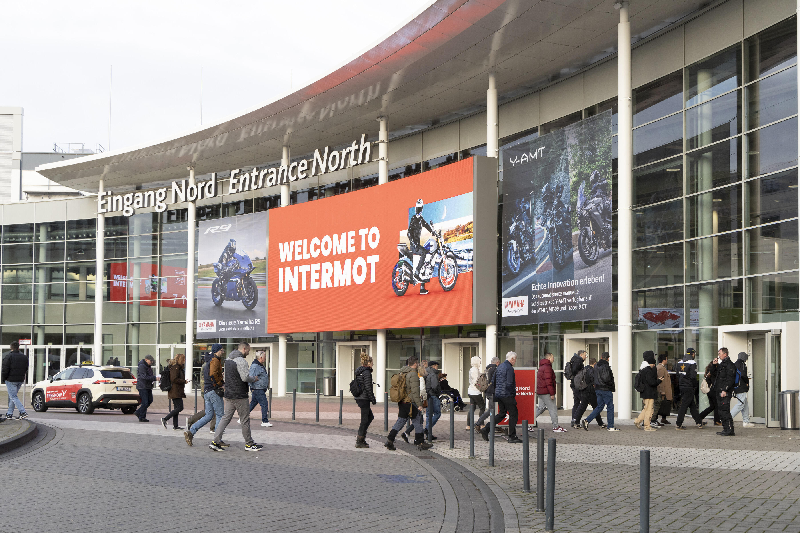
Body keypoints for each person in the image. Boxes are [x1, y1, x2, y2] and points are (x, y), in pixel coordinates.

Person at [210, 342, 263, 451]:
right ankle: (249, 444)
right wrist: (254, 378)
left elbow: (226, 376)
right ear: (244, 349)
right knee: (244, 420)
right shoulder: (241, 361)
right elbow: (245, 378)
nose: (248, 353)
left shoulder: (228, 360)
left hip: (229, 394)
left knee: (225, 418)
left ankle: (215, 441)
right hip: (240, 395)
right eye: (248, 351)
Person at [385, 356, 432, 451]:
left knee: (400, 421)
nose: (418, 364)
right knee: (418, 421)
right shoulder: (413, 374)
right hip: (411, 402)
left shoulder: (402, 372)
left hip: (402, 401)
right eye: (417, 363)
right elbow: (415, 391)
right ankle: (420, 442)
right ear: (414, 364)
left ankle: (390, 440)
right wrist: (419, 404)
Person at [184, 349, 225, 446]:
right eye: (221, 350)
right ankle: (217, 440)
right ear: (216, 351)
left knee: (208, 415)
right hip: (213, 391)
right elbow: (214, 375)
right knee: (220, 415)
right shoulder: (214, 361)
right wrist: (221, 384)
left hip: (206, 391)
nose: (222, 352)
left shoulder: (207, 363)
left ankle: (191, 431)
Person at [481, 351, 521, 443]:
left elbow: (493, 381)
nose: (515, 361)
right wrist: (512, 395)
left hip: (499, 394)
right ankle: (512, 436)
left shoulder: (499, 367)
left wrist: (497, 391)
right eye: (515, 360)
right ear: (512, 359)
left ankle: (486, 429)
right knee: (513, 413)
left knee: (502, 414)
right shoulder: (509, 368)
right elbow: (510, 383)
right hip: (507, 394)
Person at [581, 352, 619, 431]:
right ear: (608, 358)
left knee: (600, 406)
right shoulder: (605, 366)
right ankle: (610, 426)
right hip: (605, 389)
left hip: (598, 389)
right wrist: (610, 384)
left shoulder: (596, 366)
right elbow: (606, 378)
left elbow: (593, 377)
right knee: (610, 407)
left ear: (601, 357)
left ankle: (587, 420)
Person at [533, 352, 566, 432]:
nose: (554, 359)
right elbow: (549, 382)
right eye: (552, 357)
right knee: (553, 409)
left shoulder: (541, 367)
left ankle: (528, 423)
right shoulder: (547, 367)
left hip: (541, 391)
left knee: (540, 408)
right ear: (549, 358)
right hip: (546, 392)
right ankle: (556, 427)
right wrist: (552, 393)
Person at [185, 351, 218, 433]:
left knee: (210, 410)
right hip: (208, 390)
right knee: (211, 410)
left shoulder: (206, 365)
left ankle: (191, 420)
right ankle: (213, 427)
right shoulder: (208, 365)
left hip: (206, 390)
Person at [408, 199, 435, 295]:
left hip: (417, 244)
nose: (419, 210)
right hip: (414, 245)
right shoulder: (414, 219)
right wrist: (413, 243)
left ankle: (422, 288)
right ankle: (417, 272)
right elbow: (409, 232)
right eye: (417, 208)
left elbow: (426, 225)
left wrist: (433, 231)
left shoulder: (420, 219)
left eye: (420, 208)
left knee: (426, 256)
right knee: (424, 252)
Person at [675, 348, 704, 430]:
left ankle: (699, 422)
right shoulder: (692, 363)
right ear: (693, 354)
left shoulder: (680, 362)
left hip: (682, 386)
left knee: (692, 405)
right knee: (684, 405)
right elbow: (693, 377)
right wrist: (695, 386)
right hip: (689, 387)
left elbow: (677, 375)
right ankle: (678, 424)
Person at [353, 352, 376, 448]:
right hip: (364, 398)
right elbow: (368, 387)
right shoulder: (367, 373)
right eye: (372, 362)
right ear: (368, 363)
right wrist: (372, 398)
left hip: (360, 397)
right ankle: (360, 440)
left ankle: (361, 438)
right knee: (365, 419)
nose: (373, 364)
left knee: (369, 417)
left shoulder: (360, 371)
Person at [573, 358, 605, 429]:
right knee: (596, 407)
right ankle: (600, 423)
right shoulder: (592, 370)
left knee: (583, 406)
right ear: (594, 363)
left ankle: (576, 421)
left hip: (584, 390)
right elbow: (593, 381)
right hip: (590, 391)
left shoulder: (585, 369)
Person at [634, 351, 661, 432]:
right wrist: (659, 381)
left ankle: (638, 421)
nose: (654, 365)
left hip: (644, 392)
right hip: (649, 392)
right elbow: (651, 382)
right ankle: (647, 426)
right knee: (649, 409)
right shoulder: (648, 370)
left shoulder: (642, 368)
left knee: (645, 408)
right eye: (653, 364)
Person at [2, 342, 28, 420]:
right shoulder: (24, 357)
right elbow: (26, 368)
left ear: (11, 348)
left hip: (10, 380)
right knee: (13, 396)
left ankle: (23, 412)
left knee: (13, 396)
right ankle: (9, 413)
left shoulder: (8, 356)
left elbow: (5, 369)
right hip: (20, 379)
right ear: (18, 348)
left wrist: (3, 378)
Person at [714, 347, 737, 436]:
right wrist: (714, 365)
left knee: (725, 411)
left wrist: (725, 390)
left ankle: (730, 430)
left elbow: (730, 379)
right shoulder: (721, 364)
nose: (718, 355)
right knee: (721, 411)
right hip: (719, 391)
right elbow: (715, 375)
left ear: (725, 354)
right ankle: (725, 429)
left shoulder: (730, 365)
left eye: (720, 353)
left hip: (725, 392)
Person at [161, 353, 187, 430]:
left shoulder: (178, 367)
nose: (184, 360)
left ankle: (175, 426)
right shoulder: (176, 367)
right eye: (183, 359)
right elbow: (174, 379)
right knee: (180, 407)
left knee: (176, 408)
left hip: (177, 390)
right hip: (175, 390)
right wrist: (184, 381)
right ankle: (165, 419)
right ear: (180, 359)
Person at [246, 350, 272, 427]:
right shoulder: (255, 366)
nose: (265, 358)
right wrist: (252, 388)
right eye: (264, 356)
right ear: (260, 357)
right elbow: (250, 377)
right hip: (257, 388)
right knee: (264, 404)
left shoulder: (260, 365)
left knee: (253, 403)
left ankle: (242, 417)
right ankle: (264, 421)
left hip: (259, 388)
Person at [730, 351, 754, 428]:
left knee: (745, 404)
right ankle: (728, 418)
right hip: (741, 387)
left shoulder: (735, 364)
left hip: (736, 386)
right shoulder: (742, 364)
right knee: (740, 404)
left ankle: (746, 421)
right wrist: (747, 382)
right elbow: (743, 375)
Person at [475, 357, 500, 429]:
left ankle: (493, 425)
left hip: (487, 392)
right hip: (492, 392)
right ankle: (478, 423)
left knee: (492, 410)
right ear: (497, 362)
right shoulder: (494, 369)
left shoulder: (487, 369)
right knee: (491, 410)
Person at [651, 353, 673, 427]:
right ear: (664, 360)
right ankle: (655, 420)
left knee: (665, 404)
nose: (667, 360)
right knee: (659, 405)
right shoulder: (660, 368)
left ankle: (663, 418)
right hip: (663, 390)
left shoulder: (662, 367)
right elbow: (660, 381)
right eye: (666, 359)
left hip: (666, 390)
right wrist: (662, 391)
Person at [698, 357, 721, 426]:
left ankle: (699, 417)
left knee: (712, 406)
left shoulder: (708, 373)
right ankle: (717, 421)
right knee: (716, 405)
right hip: (713, 391)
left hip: (709, 391)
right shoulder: (713, 373)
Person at [134, 355, 156, 422]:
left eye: (152, 361)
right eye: (150, 361)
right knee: (145, 402)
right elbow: (144, 377)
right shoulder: (142, 366)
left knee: (149, 400)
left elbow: (148, 375)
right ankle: (142, 416)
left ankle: (139, 412)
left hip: (148, 386)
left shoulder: (148, 366)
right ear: (146, 359)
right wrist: (154, 378)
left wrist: (153, 378)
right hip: (142, 386)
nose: (151, 362)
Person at [569, 350, 587, 428]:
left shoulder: (574, 360)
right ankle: (575, 420)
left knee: (576, 403)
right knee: (583, 402)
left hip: (574, 384)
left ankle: (574, 421)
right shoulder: (578, 361)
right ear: (581, 355)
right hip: (577, 385)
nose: (586, 357)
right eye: (585, 355)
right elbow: (575, 372)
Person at [425, 361, 443, 440]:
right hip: (433, 395)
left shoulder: (426, 372)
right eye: (436, 366)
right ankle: (427, 429)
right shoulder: (433, 374)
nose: (437, 367)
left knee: (429, 415)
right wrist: (437, 393)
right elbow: (435, 386)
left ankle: (428, 434)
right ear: (433, 366)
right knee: (437, 413)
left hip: (427, 395)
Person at [466, 355, 484, 430]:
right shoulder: (475, 370)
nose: (480, 362)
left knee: (472, 408)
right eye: (479, 361)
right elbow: (477, 381)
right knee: (482, 407)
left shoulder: (471, 369)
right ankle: (481, 424)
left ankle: (468, 425)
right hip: (476, 392)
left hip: (470, 391)